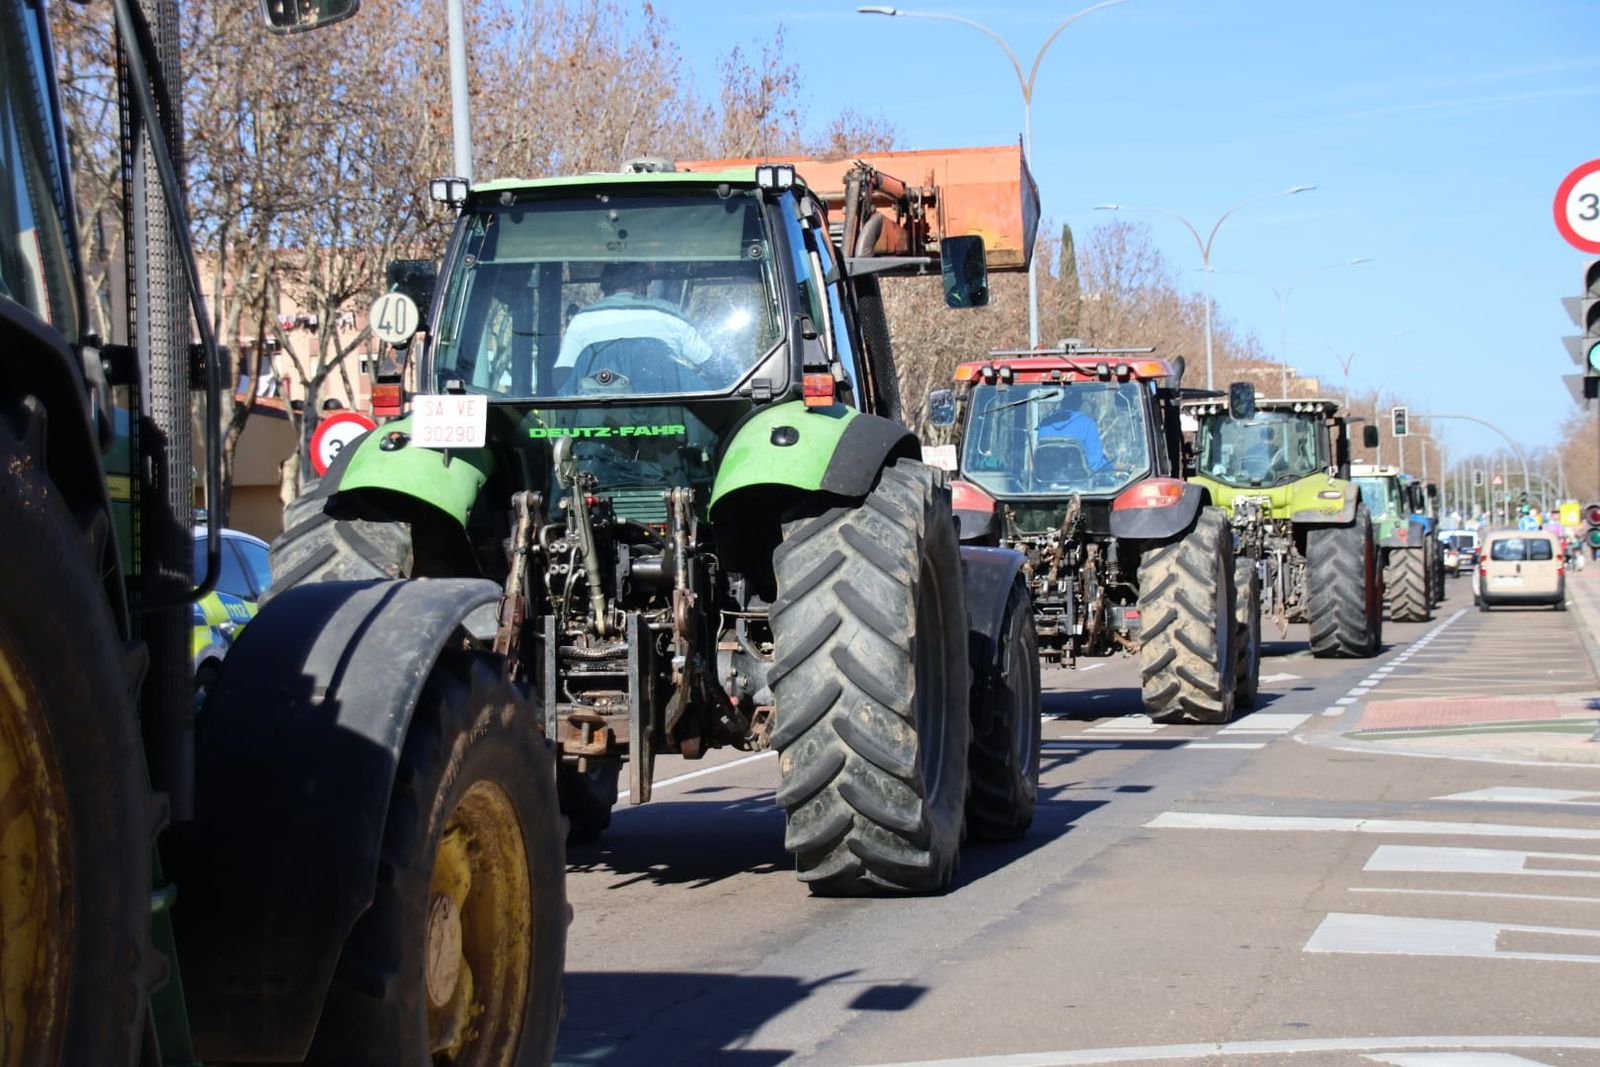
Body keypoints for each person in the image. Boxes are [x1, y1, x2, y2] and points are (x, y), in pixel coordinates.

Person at [553, 262, 715, 391]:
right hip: (669, 422)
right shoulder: (669, 314)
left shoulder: (583, 319)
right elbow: (712, 364)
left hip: (601, 423)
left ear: (605, 286)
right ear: (642, 283)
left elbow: (561, 378)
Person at [1036, 392, 1109, 473]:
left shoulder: (1045, 424)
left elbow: (1039, 459)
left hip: (1046, 481)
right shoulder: (1088, 424)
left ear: (1062, 402)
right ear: (1079, 403)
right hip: (1080, 482)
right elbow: (1095, 464)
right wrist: (1111, 466)